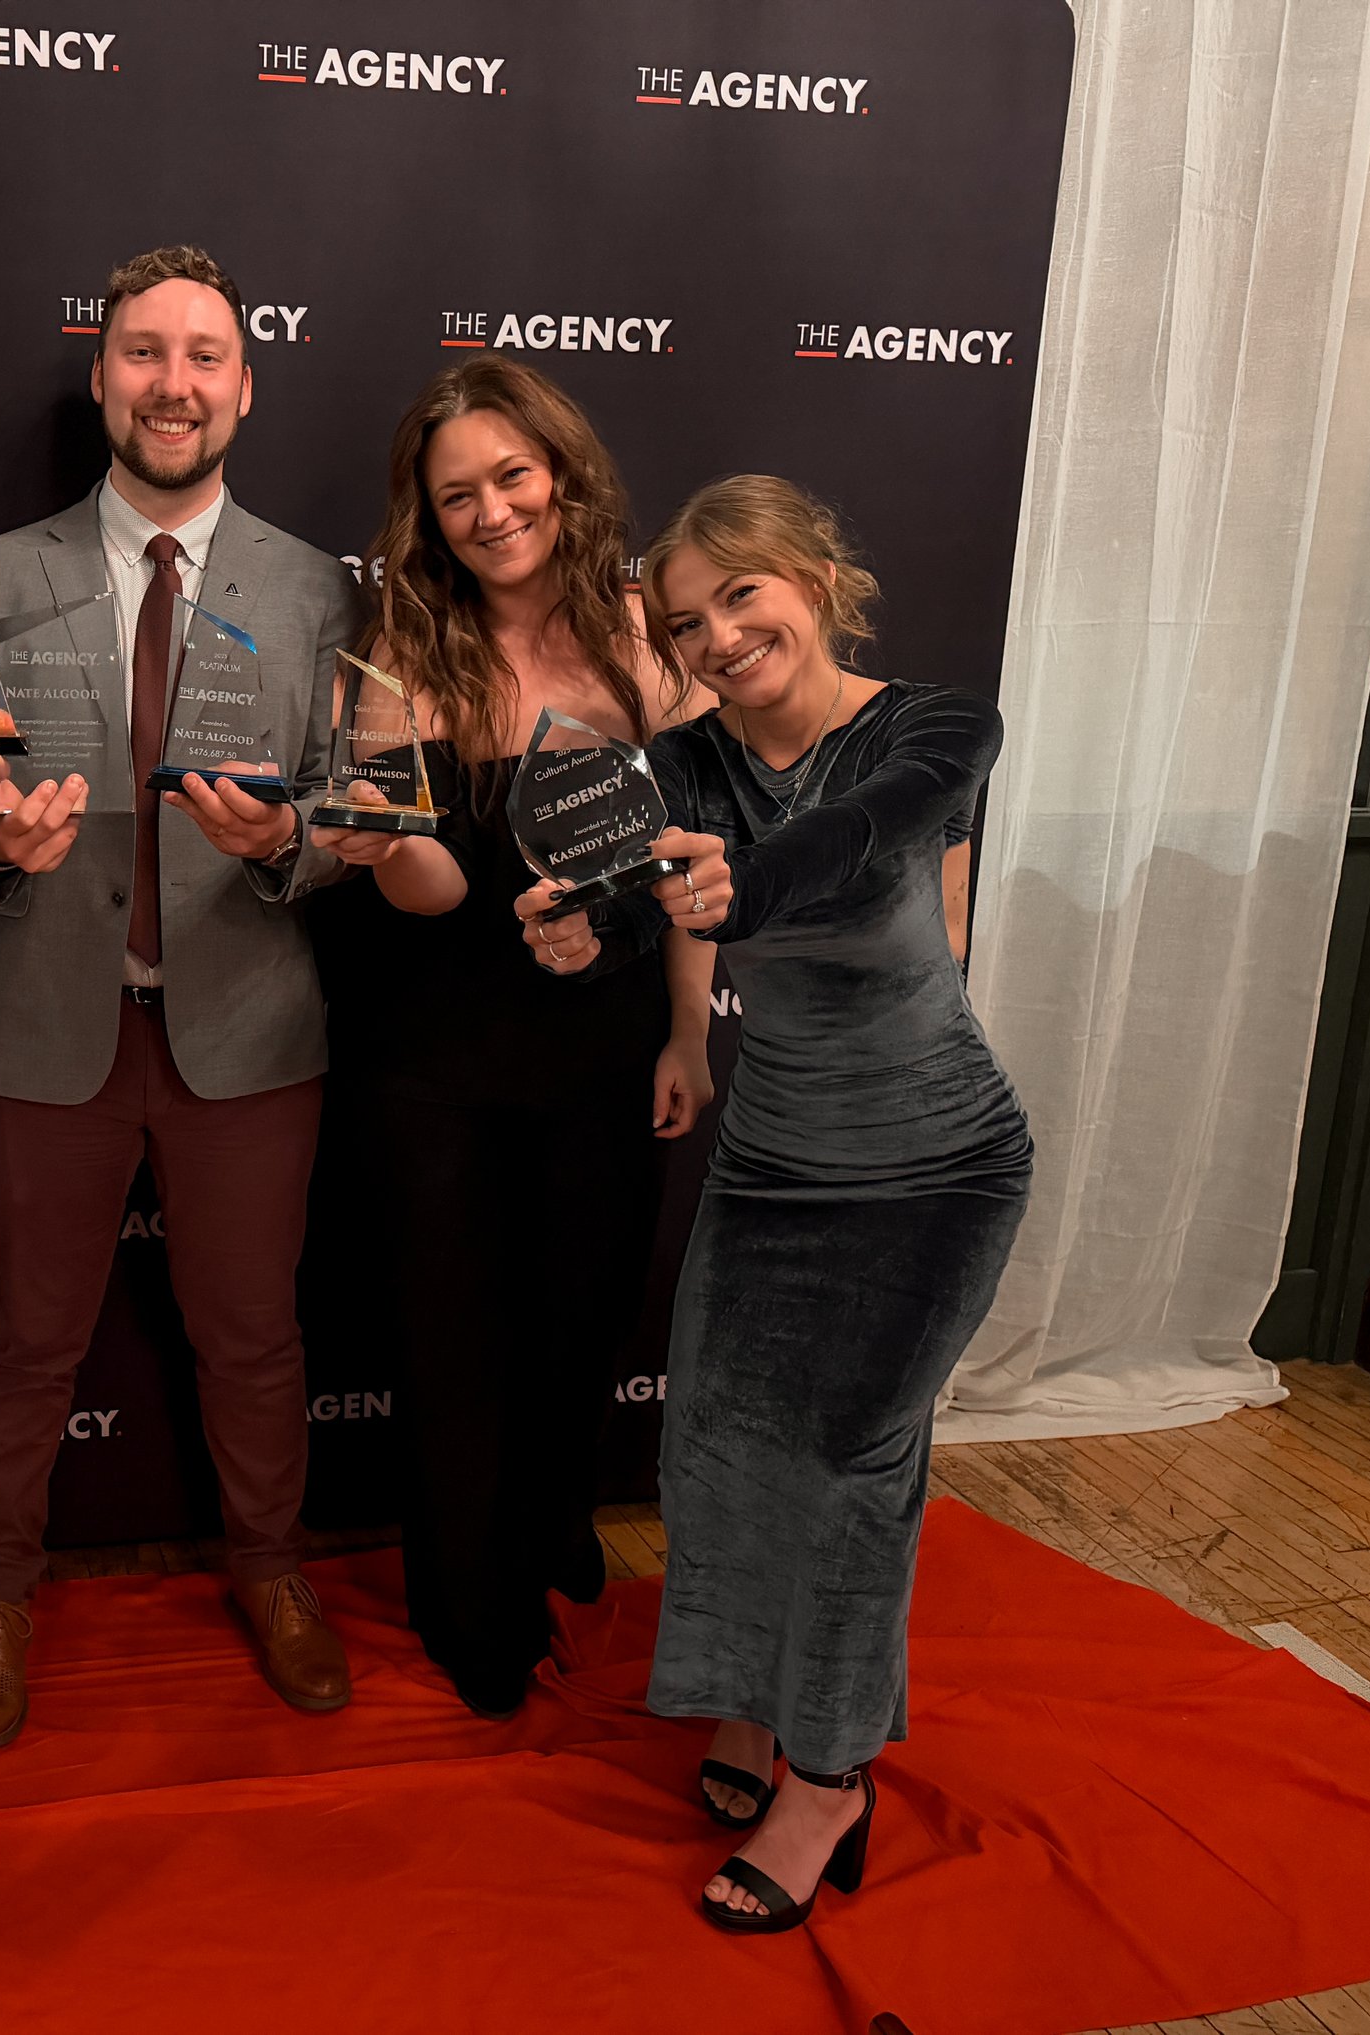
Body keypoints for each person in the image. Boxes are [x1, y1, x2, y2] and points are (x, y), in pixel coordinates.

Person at [520, 473, 1030, 1933]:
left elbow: (859, 843)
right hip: (774, 1164)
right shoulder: (685, 763)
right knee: (724, 1453)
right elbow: (635, 891)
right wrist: (578, 930)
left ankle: (830, 1775)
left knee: (853, 1473)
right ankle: (745, 1703)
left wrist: (733, 886)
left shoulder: (936, 728)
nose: (723, 635)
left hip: (936, 1168)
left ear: (813, 571)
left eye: (744, 594)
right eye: (689, 622)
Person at [0, 244, 363, 1750]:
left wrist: (293, 840)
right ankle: (0, 1591)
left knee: (255, 1334)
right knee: (25, 1336)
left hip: (249, 1027)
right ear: (100, 377)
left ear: (244, 384)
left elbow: (364, 805)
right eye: (144, 354)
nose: (174, 383)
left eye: (203, 356)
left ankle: (274, 1572)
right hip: (43, 1020)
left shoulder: (314, 588)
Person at [306, 356, 717, 1719]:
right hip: (439, 1054)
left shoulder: (650, 640)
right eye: (456, 495)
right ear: (427, 519)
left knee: (581, 1313)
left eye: (511, 477)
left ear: (564, 474)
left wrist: (684, 1032)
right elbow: (422, 886)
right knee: (454, 1336)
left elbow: (696, 857)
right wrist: (397, 850)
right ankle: (465, 1600)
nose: (490, 513)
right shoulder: (405, 651)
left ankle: (548, 1525)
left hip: (602, 1040)